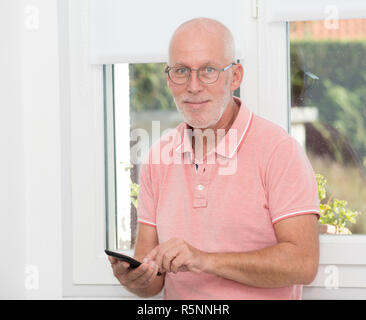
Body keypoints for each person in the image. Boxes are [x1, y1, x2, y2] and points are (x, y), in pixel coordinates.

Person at [109, 17, 320, 300]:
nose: (193, 86)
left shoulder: (279, 151)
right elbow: (152, 280)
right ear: (168, 77)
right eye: (181, 71)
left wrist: (203, 259)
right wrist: (135, 279)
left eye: (208, 70)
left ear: (235, 76)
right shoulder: (158, 156)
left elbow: (303, 263)